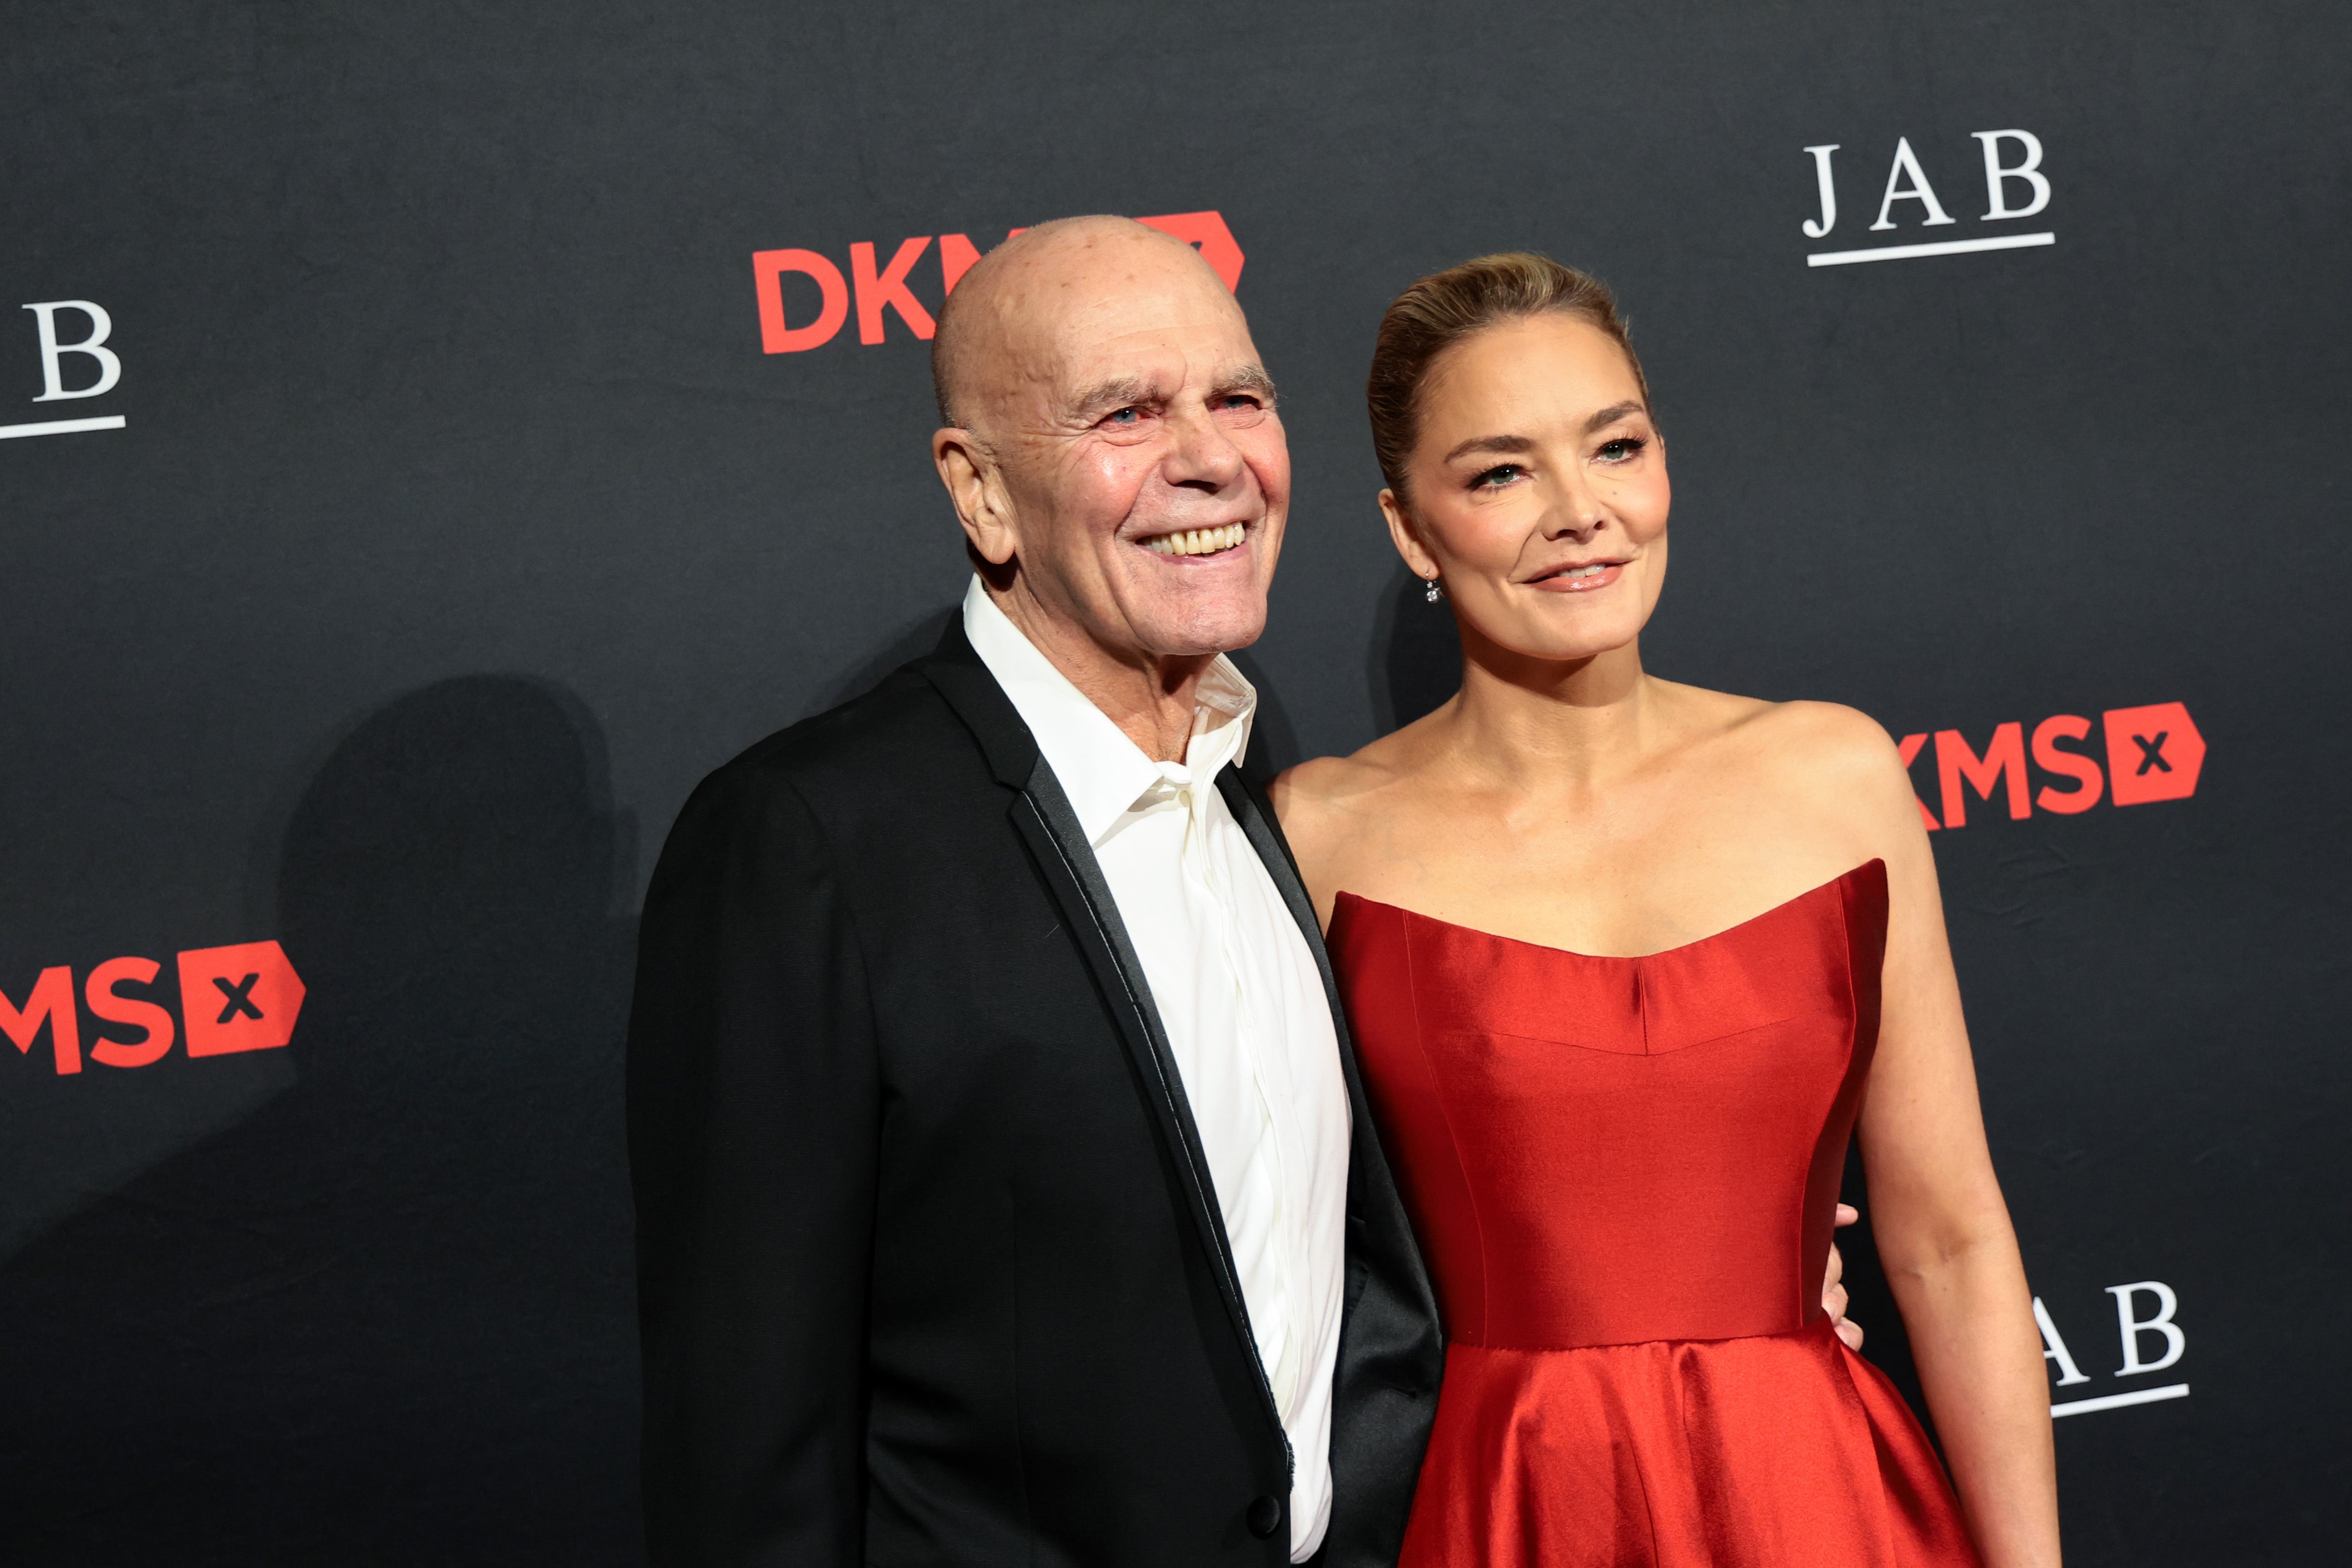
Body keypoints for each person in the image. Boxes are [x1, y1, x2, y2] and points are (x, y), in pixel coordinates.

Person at [626, 219, 1861, 1567]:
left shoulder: (1272, 815)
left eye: (1239, 398)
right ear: (980, 494)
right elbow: (750, 1456)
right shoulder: (809, 844)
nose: (1209, 456)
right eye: (1125, 412)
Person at [1274, 254, 2062, 1568]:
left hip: (1816, 1497)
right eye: (1500, 472)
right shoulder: (1319, 832)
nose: (1581, 511)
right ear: (1412, 526)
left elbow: (1950, 1239)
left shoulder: (1838, 774)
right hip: (1509, 1507)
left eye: (1616, 445)